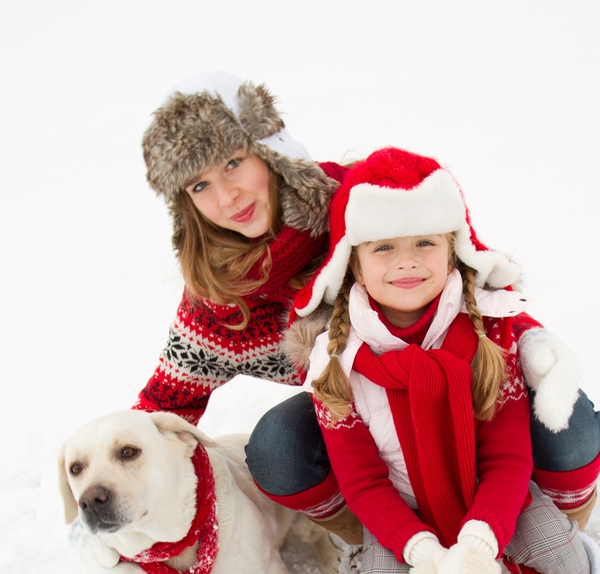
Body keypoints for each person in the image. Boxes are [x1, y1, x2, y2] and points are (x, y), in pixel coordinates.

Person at [136, 72, 599, 547]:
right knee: (278, 445)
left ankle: (554, 532)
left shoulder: (360, 199)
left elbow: (469, 268)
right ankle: (384, 539)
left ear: (268, 150)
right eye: (199, 186)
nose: (226, 196)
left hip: (463, 375)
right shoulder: (218, 300)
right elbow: (163, 404)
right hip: (367, 421)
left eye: (234, 163)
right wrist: (113, 480)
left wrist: (528, 337)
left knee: (569, 416)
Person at [296, 147, 600, 574]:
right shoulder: (337, 362)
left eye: (425, 244)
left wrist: (482, 539)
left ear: (454, 248)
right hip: (402, 508)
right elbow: (362, 481)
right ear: (354, 264)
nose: (407, 262)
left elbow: (508, 459)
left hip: (490, 496)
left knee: (563, 556)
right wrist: (419, 548)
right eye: (384, 247)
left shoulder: (488, 333)